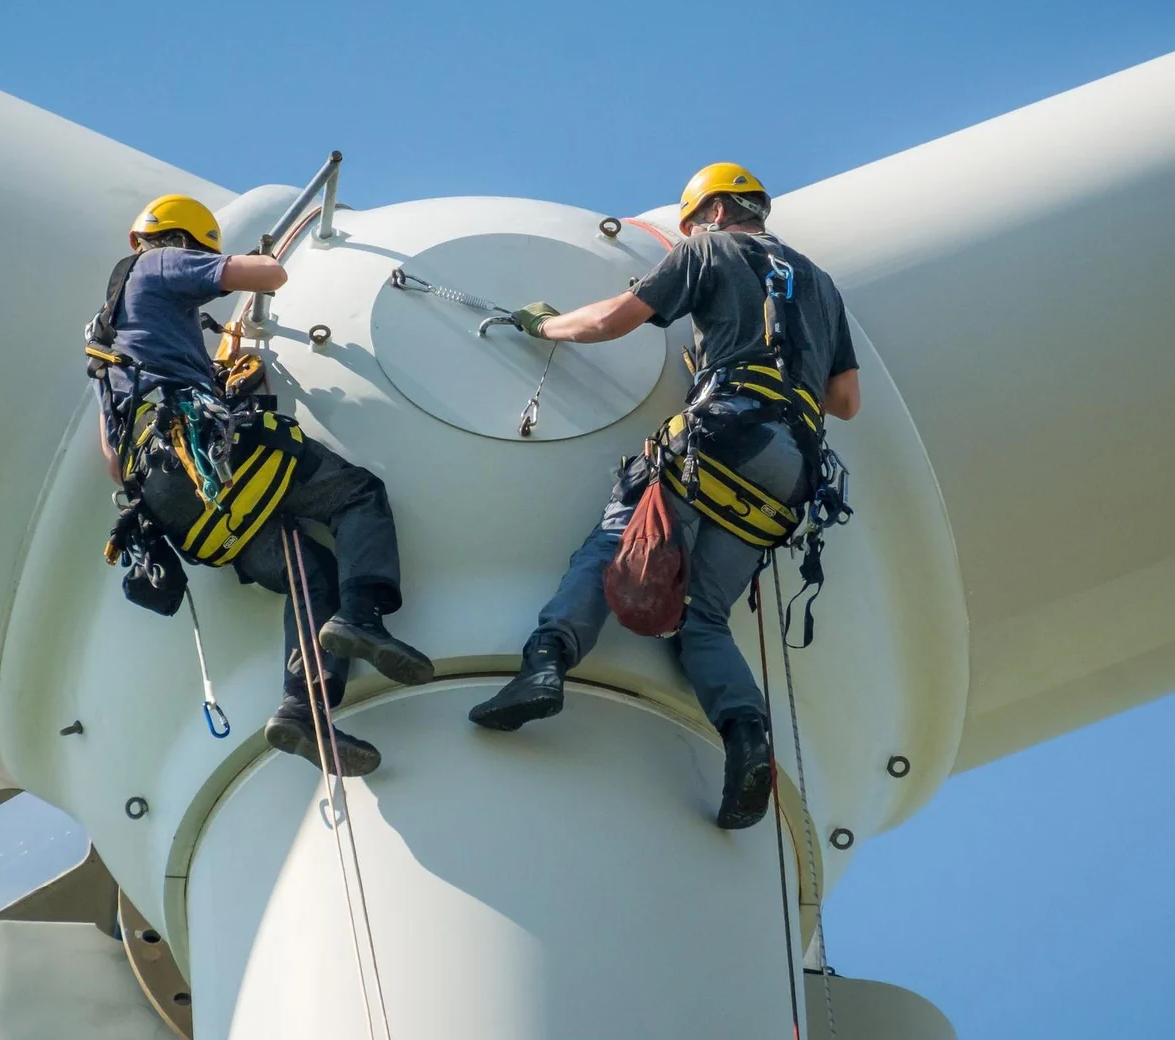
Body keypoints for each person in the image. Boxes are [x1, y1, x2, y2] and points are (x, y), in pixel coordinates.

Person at [466, 164, 861, 829]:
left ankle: (544, 666)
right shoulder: (819, 285)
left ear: (708, 213)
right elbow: (844, 401)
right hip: (790, 471)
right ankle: (746, 739)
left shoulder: (708, 250)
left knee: (613, 546)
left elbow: (611, 322)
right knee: (702, 616)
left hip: (721, 433)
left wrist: (544, 327)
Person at [91, 194, 434, 777]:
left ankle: (303, 710)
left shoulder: (105, 337)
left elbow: (112, 459)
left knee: (308, 571)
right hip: (207, 450)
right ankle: (362, 617)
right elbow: (266, 274)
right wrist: (250, 261)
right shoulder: (160, 264)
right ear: (184, 241)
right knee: (355, 495)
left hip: (170, 494)